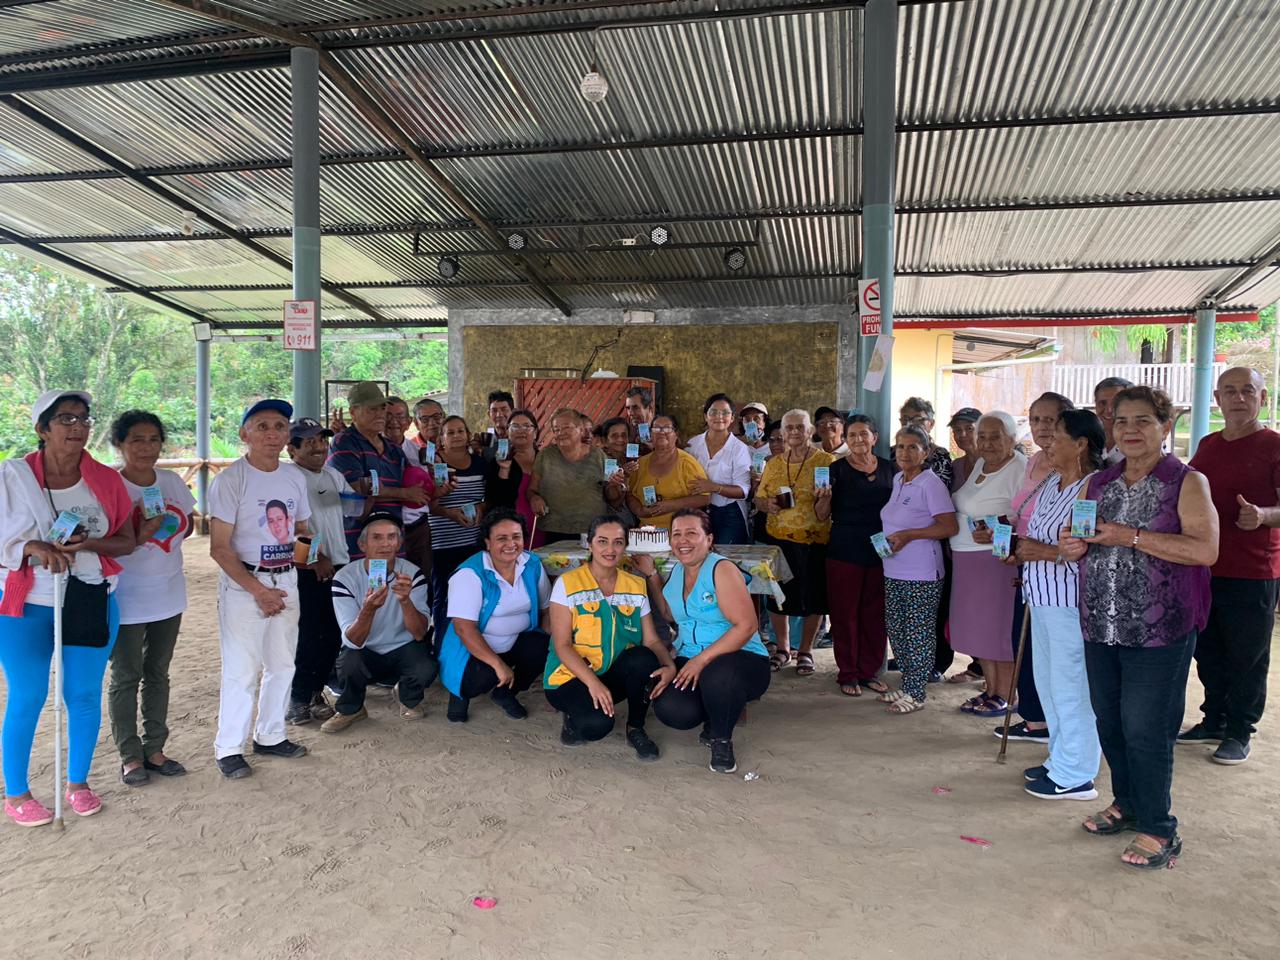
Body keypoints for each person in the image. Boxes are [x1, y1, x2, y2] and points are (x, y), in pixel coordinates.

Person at [1061, 386, 1217, 869]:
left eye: (1143, 420)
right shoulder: (1098, 483)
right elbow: (1081, 539)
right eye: (1122, 420)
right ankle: (1127, 804)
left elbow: (1204, 550)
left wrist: (1129, 536)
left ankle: (1158, 826)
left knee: (1146, 728)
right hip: (1100, 623)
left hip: (1159, 630)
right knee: (1110, 722)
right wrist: (1073, 547)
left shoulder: (1186, 482)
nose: (1130, 429)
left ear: (1165, 426)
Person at [0, 391, 134, 825]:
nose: (78, 426)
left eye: (84, 419)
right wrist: (30, 546)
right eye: (66, 419)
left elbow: (126, 542)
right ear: (42, 429)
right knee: (27, 695)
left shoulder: (106, 480)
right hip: (26, 603)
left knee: (82, 693)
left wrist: (88, 544)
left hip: (90, 596)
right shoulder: (12, 478)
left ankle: (78, 783)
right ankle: (17, 794)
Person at [208, 398, 313, 779]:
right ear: (244, 434)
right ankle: (229, 748)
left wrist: (303, 552)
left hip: (285, 579)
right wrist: (258, 590)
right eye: (262, 426)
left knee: (282, 663)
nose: (272, 434)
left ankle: (270, 735)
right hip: (245, 583)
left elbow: (302, 528)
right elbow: (220, 548)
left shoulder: (294, 477)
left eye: (280, 426)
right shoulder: (231, 480)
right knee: (242, 668)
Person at [1183, 367, 1280, 764]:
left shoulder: (1274, 445)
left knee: (1247, 657)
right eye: (1230, 391)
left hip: (1253, 571)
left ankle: (1240, 731)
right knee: (1207, 651)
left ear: (1263, 398)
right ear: (1217, 399)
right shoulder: (1207, 444)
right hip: (1204, 568)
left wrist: (1264, 515)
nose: (1238, 398)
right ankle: (1214, 720)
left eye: (1247, 391)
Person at [1013, 410, 1105, 800]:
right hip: (1040, 597)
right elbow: (1035, 534)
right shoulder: (1052, 481)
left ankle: (1077, 773)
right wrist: (1021, 552)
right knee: (1049, 683)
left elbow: (1088, 550)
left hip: (1069, 602)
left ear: (1081, 444)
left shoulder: (1092, 487)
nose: (1047, 442)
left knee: (1071, 687)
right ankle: (1060, 759)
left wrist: (1043, 552)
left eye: (1057, 436)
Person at [638, 509, 771, 774]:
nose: (683, 540)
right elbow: (669, 614)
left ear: (709, 539)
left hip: (741, 658)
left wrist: (701, 660)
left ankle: (720, 739)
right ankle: (715, 711)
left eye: (691, 533)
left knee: (718, 674)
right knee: (673, 709)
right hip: (692, 655)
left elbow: (747, 626)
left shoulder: (721, 569)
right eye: (677, 534)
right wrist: (652, 575)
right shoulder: (678, 571)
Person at [109, 410, 196, 786]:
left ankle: (155, 748)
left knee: (158, 673)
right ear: (119, 444)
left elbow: (187, 524)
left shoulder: (172, 481)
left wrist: (165, 534)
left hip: (168, 593)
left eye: (154, 440)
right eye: (137, 440)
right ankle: (130, 756)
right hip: (125, 596)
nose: (147, 448)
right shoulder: (109, 486)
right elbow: (104, 538)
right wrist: (138, 532)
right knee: (126, 675)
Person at [545, 515, 676, 758]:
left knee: (644, 657)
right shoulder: (567, 583)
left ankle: (635, 727)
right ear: (590, 545)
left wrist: (670, 666)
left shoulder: (635, 585)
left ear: (625, 546)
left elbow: (651, 640)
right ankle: (572, 718)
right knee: (596, 726)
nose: (611, 549)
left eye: (618, 542)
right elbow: (562, 645)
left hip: (611, 672)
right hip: (570, 676)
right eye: (602, 541)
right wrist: (592, 683)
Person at [993, 392, 1073, 738]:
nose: (1041, 427)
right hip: (1026, 566)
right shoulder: (1035, 461)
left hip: (1062, 576)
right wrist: (1004, 539)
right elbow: (1021, 514)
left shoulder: (1082, 474)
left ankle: (1050, 722)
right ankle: (1035, 715)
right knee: (1024, 643)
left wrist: (1041, 551)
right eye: (1036, 419)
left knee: (1057, 653)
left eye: (1050, 420)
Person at [322, 513, 437, 732]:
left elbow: (420, 633)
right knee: (348, 662)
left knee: (426, 667)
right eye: (377, 537)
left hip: (402, 646)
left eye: (391, 537)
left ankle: (408, 697)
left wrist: (405, 601)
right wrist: (368, 610)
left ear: (399, 543)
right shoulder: (345, 578)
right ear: (362, 545)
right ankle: (351, 709)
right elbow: (352, 641)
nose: (385, 544)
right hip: (365, 649)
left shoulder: (412, 574)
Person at [948, 411, 1027, 718]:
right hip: (967, 558)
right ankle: (992, 689)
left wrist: (997, 528)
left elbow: (1025, 514)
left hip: (996, 560)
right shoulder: (981, 463)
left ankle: (1008, 694)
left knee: (998, 630)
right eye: (983, 436)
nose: (988, 443)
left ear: (1012, 439)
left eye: (996, 437)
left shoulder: (1019, 467)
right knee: (980, 629)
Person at [438, 509, 551, 723]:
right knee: (477, 679)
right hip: (472, 648)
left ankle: (505, 693)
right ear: (487, 543)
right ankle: (459, 695)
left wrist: (558, 642)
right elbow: (464, 629)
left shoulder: (532, 564)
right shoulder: (469, 574)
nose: (511, 544)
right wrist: (498, 665)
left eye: (516, 537)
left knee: (545, 647)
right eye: (502, 538)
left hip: (517, 640)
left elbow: (546, 609)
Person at [877, 424, 958, 713]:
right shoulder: (899, 478)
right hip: (893, 568)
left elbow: (949, 527)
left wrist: (910, 535)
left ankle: (916, 693)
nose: (905, 452)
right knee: (897, 629)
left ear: (926, 451)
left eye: (913, 447)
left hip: (922, 572)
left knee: (918, 633)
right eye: (901, 446)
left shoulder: (930, 484)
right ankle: (908, 684)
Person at [284, 417, 356, 726]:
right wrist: (315, 559)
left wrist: (371, 492)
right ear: (292, 449)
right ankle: (297, 699)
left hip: (339, 564)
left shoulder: (332, 475)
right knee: (309, 635)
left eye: (322, 440)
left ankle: (315, 693)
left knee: (333, 633)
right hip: (307, 569)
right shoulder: (288, 478)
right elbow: (288, 527)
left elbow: (354, 509)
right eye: (309, 442)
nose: (318, 447)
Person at [815, 413, 893, 697]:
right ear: (846, 439)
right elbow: (821, 515)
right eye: (852, 435)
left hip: (881, 549)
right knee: (844, 614)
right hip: (844, 548)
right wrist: (824, 499)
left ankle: (869, 672)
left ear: (874, 437)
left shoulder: (890, 468)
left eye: (864, 434)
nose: (858, 439)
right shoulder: (835, 469)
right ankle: (848, 673)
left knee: (875, 613)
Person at [753, 408, 834, 676]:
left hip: (814, 540)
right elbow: (758, 499)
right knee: (778, 597)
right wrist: (768, 504)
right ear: (782, 432)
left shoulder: (826, 461)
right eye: (789, 428)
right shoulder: (774, 464)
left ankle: (806, 650)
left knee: (814, 597)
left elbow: (829, 508)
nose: (795, 432)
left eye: (800, 427)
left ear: (810, 430)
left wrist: (825, 499)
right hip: (778, 541)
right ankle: (783, 648)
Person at [326, 381, 428, 560]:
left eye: (382, 408)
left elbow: (415, 489)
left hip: (394, 543)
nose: (380, 414)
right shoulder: (344, 442)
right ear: (353, 412)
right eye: (372, 409)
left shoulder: (393, 449)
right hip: (359, 544)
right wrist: (404, 493)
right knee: (362, 579)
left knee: (395, 578)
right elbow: (357, 490)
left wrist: (435, 487)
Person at [427, 414, 487, 636]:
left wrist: (481, 508)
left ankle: (472, 641)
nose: (456, 436)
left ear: (468, 434)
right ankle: (442, 642)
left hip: (474, 541)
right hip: (443, 541)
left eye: (460, 431)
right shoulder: (435, 465)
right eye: (450, 432)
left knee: (474, 593)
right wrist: (449, 513)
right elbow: (427, 504)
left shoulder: (480, 463)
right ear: (442, 439)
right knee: (444, 594)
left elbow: (489, 498)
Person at [528, 408, 613, 544]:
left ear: (581, 430)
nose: (561, 433)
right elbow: (531, 490)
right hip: (553, 531)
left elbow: (612, 492)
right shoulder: (545, 455)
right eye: (556, 429)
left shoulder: (599, 456)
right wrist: (534, 498)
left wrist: (618, 486)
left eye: (566, 427)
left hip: (592, 531)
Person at [686, 394, 753, 545]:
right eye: (713, 412)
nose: (719, 417)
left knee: (725, 554)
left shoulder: (739, 449)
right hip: (698, 511)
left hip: (729, 513)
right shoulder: (693, 445)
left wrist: (714, 487)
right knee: (699, 553)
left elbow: (743, 491)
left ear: (732, 418)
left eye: (725, 413)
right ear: (706, 416)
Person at [626, 413, 711, 530]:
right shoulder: (640, 463)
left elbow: (704, 498)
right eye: (656, 429)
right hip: (647, 532)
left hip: (679, 532)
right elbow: (629, 494)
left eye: (667, 428)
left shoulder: (687, 463)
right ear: (650, 434)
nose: (661, 432)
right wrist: (639, 510)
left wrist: (671, 505)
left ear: (676, 434)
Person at [485, 409, 544, 546]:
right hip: (512, 535)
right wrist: (504, 470)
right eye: (515, 426)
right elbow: (494, 501)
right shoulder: (498, 462)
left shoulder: (546, 459)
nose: (521, 430)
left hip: (545, 528)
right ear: (507, 432)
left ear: (535, 432)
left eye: (526, 426)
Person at [900, 397, 952, 489]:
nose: (910, 424)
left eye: (918, 420)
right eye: (905, 419)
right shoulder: (892, 453)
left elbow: (938, 489)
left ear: (931, 424)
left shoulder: (940, 455)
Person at [1093, 376, 1135, 465]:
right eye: (1102, 403)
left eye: (1116, 403)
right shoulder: (1090, 442)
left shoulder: (1139, 446)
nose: (1109, 410)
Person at [947, 407, 982, 492]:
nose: (962, 434)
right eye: (958, 430)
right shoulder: (955, 466)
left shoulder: (993, 464)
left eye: (969, 428)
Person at [474, 390, 514, 459]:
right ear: (489, 414)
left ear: (513, 412)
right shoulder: (483, 440)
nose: (499, 415)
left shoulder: (519, 438)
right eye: (494, 411)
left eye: (504, 409)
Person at [405, 397, 445, 466]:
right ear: (416, 423)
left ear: (444, 417)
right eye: (425, 419)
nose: (432, 423)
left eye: (436, 416)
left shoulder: (454, 440)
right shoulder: (410, 449)